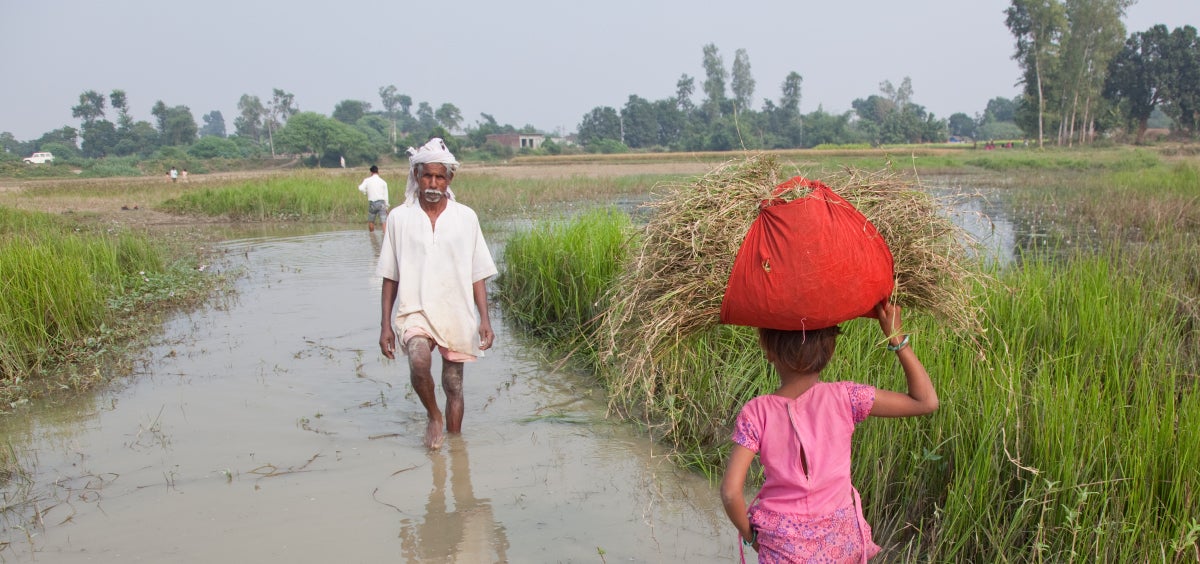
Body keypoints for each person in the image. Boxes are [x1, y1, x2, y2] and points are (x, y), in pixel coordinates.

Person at [720, 301, 938, 562]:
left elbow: (731, 492)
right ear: (830, 350)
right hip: (840, 542)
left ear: (768, 351)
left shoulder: (756, 412)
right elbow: (925, 401)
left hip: (783, 546)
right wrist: (897, 337)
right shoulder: (846, 397)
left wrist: (753, 537)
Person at [376, 138, 497, 450]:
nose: (433, 183)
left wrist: (485, 319)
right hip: (414, 311)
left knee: (453, 385)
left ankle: (456, 448)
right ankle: (433, 416)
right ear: (416, 175)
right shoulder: (399, 219)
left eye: (439, 177)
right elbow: (391, 276)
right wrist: (385, 324)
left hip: (456, 310)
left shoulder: (466, 218)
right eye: (427, 176)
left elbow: (477, 273)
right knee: (418, 360)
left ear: (449, 179)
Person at [358, 165, 389, 233]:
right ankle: (385, 236)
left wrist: (365, 192)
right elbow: (386, 195)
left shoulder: (367, 180)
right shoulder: (383, 182)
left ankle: (372, 235)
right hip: (381, 203)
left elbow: (360, 188)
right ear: (378, 172)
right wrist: (386, 206)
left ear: (371, 172)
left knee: (371, 221)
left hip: (372, 203)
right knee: (384, 221)